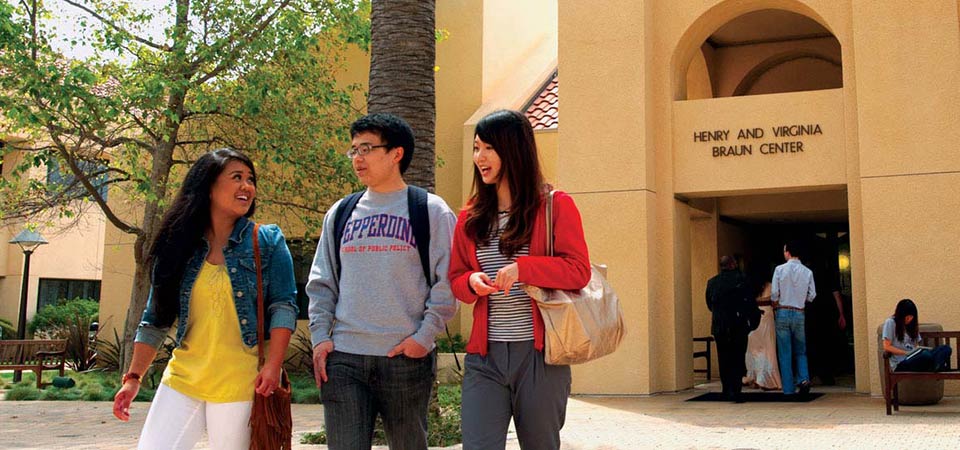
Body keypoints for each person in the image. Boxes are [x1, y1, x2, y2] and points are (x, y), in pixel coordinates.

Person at [112, 148, 299, 449]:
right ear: (208, 186)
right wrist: (133, 377)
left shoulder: (267, 241)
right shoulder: (179, 243)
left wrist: (273, 366)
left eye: (250, 179)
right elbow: (155, 317)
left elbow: (283, 306)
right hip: (183, 377)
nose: (247, 186)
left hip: (241, 381)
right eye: (236, 177)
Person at [306, 113, 458, 450]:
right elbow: (321, 283)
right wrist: (320, 338)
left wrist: (424, 337)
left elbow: (446, 283)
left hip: (405, 359)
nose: (357, 158)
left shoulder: (430, 210)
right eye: (354, 150)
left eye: (367, 148)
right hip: (344, 359)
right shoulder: (341, 212)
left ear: (396, 153)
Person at [448, 109, 591, 450]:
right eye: (476, 148)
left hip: (540, 357)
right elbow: (455, 277)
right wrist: (472, 281)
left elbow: (578, 271)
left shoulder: (556, 206)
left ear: (513, 150)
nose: (479, 157)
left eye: (488, 148)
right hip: (485, 357)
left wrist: (523, 268)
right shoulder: (469, 217)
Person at [771, 240, 816, 395]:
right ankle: (804, 378)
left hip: (783, 311)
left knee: (785, 352)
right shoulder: (807, 272)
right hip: (799, 312)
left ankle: (788, 388)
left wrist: (778, 301)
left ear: (788, 252)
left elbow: (774, 293)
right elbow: (812, 295)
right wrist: (801, 299)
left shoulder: (779, 270)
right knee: (801, 350)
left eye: (784, 251)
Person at [706, 256, 752, 402]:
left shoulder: (712, 282)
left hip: (720, 325)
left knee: (724, 358)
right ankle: (737, 390)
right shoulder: (742, 280)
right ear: (733, 264)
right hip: (738, 324)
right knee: (738, 357)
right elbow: (749, 301)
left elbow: (709, 304)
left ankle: (726, 389)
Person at [881, 299, 952, 372]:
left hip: (915, 358)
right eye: (907, 317)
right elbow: (887, 347)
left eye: (912, 317)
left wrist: (917, 350)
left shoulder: (911, 326)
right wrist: (906, 352)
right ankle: (936, 366)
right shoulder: (890, 322)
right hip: (902, 362)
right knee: (925, 355)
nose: (909, 320)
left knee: (946, 348)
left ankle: (935, 366)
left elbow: (916, 346)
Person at [742, 267, 781, 391]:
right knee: (768, 347)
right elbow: (775, 302)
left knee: (753, 348)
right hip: (767, 315)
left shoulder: (748, 286)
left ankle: (753, 376)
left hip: (753, 315)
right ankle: (767, 379)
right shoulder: (770, 285)